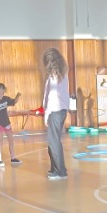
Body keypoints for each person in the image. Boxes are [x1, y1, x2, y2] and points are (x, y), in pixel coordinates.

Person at [42, 47, 70, 179]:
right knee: (54, 140)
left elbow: (51, 96)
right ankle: (55, 168)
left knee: (53, 142)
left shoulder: (53, 76)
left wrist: (46, 113)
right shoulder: (63, 75)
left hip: (55, 111)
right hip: (61, 110)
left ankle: (60, 171)